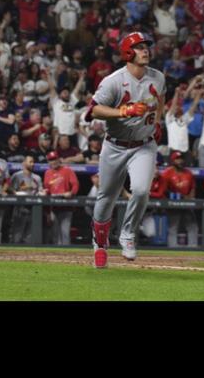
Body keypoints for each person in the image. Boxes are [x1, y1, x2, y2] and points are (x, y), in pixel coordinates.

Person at [85, 31, 166, 268]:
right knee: (106, 198)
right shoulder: (113, 81)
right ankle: (99, 244)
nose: (145, 50)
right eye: (140, 47)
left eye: (146, 47)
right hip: (115, 146)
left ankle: (128, 234)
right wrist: (123, 111)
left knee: (141, 190)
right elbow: (92, 111)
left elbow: (160, 100)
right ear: (128, 52)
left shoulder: (158, 77)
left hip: (144, 144)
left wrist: (158, 122)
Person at [162, 150, 198, 248]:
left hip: (186, 203)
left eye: (181, 159)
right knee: (173, 226)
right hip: (173, 203)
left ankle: (193, 247)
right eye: (177, 159)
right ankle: (172, 249)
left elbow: (192, 188)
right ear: (173, 161)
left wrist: (191, 199)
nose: (180, 161)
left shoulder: (188, 173)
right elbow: (164, 190)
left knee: (192, 226)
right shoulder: (167, 173)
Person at [43, 151, 80, 246]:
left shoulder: (67, 170)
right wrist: (44, 192)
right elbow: (47, 188)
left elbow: (75, 184)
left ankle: (67, 257)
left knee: (65, 233)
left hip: (66, 206)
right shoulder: (47, 173)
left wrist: (71, 193)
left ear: (59, 159)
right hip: (53, 206)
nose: (53, 162)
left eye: (54, 159)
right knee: (55, 234)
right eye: (51, 160)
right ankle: (57, 257)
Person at [8, 156, 46, 244]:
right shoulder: (17, 176)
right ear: (24, 163)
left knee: (29, 237)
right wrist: (15, 193)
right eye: (30, 162)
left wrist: (42, 193)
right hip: (19, 208)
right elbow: (9, 188)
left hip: (33, 209)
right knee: (16, 236)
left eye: (33, 162)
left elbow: (40, 191)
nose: (32, 164)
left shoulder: (37, 178)